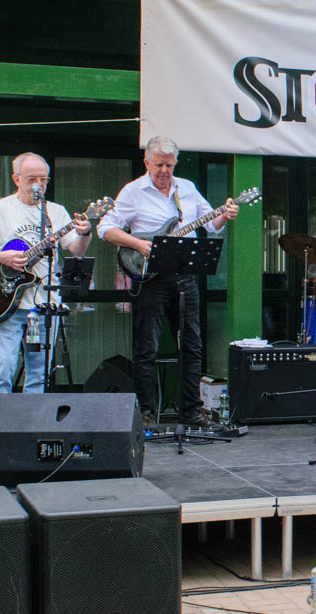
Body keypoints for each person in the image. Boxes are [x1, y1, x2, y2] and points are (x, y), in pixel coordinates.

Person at [99, 136, 240, 426]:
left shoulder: (186, 188)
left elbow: (212, 224)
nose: (164, 170)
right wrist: (138, 244)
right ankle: (146, 412)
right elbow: (106, 228)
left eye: (170, 165)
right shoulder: (133, 191)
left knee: (192, 346)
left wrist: (225, 215)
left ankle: (192, 410)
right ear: (146, 162)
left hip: (184, 275)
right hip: (150, 277)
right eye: (159, 165)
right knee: (146, 348)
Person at [0, 152, 93, 401]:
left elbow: (76, 250)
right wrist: (3, 258)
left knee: (40, 372)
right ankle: (0, 423)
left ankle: (33, 423)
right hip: (6, 302)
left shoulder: (56, 212)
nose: (38, 185)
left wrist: (85, 233)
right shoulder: (0, 210)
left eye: (43, 179)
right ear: (16, 179)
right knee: (2, 368)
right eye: (32, 179)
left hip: (43, 305)